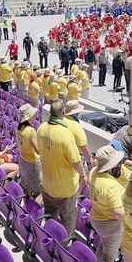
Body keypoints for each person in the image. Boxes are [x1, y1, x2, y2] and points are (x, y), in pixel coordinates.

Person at [37, 100, 86, 234]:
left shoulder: (41, 128)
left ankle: (49, 238)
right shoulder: (65, 134)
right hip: (65, 188)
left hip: (47, 183)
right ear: (63, 113)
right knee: (67, 220)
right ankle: (64, 247)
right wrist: (83, 175)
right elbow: (76, 161)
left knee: (50, 217)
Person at [88, 145, 126, 262]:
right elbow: (119, 213)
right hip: (109, 224)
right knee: (110, 258)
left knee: (105, 244)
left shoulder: (93, 172)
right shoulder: (111, 186)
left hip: (96, 218)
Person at [16, 104, 41, 198]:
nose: (35, 114)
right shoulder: (31, 131)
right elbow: (38, 151)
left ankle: (27, 200)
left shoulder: (18, 128)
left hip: (23, 159)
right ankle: (34, 210)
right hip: (33, 163)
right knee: (39, 190)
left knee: (26, 184)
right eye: (33, 113)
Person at [64, 100, 93, 164]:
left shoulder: (61, 119)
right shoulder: (76, 126)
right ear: (77, 112)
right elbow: (83, 146)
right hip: (75, 157)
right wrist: (90, 159)